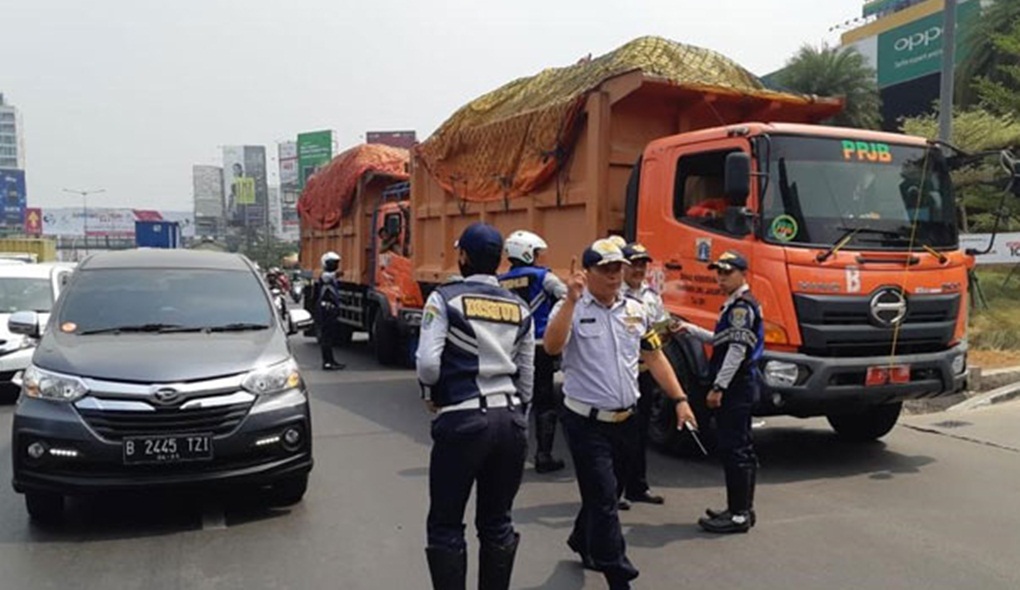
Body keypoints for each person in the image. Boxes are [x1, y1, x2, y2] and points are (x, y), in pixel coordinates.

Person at [544, 238, 696, 590]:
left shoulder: (636, 310)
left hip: (626, 420)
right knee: (604, 500)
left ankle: (582, 539)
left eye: (618, 268)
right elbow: (552, 346)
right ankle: (619, 575)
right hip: (585, 423)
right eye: (606, 269)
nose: (614, 275)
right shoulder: (572, 307)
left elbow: (654, 357)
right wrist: (570, 300)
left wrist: (680, 399)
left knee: (609, 493)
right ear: (588, 272)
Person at [416, 222, 535, 590]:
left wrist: (431, 395)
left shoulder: (444, 298)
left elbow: (428, 364)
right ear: (500, 260)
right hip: (511, 419)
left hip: (463, 419)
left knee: (446, 524)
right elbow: (527, 376)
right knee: (497, 523)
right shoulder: (520, 307)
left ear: (463, 256)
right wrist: (519, 419)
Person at [673, 250, 763, 534]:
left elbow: (735, 352)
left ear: (742, 274)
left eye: (727, 273)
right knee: (740, 447)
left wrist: (718, 387)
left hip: (736, 386)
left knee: (735, 448)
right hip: (738, 384)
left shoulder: (740, 308)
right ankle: (741, 508)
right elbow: (722, 340)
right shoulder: (735, 304)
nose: (721, 278)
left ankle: (738, 515)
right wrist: (690, 329)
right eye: (719, 273)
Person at [499, 230, 568, 474]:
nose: (541, 257)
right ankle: (543, 456)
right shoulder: (543, 277)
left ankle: (508, 455)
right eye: (538, 253)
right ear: (527, 253)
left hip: (509, 347)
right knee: (544, 402)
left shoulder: (500, 280)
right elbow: (568, 297)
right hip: (539, 346)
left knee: (512, 400)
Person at [617, 242, 670, 509]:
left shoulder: (651, 296)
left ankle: (637, 487)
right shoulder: (614, 296)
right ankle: (614, 491)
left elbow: (661, 327)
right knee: (619, 434)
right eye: (633, 264)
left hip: (645, 371)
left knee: (640, 432)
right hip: (621, 373)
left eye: (642, 264)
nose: (638, 269)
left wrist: (667, 331)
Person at [314, 251, 346, 371]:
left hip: (330, 308)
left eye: (336, 263)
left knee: (329, 337)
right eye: (332, 262)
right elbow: (332, 275)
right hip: (326, 309)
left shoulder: (330, 277)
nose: (335, 265)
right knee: (326, 337)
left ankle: (331, 361)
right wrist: (338, 273)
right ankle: (327, 362)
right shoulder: (325, 275)